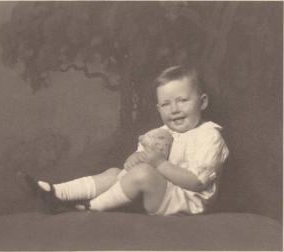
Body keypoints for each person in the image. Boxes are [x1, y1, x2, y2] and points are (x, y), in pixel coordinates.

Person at [22, 64, 229, 216]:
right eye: (166, 104)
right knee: (115, 172)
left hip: (186, 203)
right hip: (160, 191)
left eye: (182, 100)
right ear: (158, 109)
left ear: (202, 102)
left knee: (144, 174)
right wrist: (135, 158)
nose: (174, 109)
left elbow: (196, 182)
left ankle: (91, 207)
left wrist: (157, 163)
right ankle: (57, 193)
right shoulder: (161, 132)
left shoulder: (209, 136)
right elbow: (141, 157)